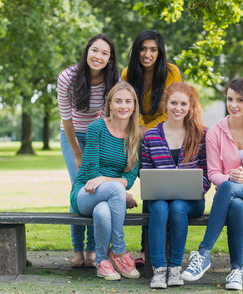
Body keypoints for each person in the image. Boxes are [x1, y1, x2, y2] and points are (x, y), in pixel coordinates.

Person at [181, 78, 243, 290]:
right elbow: (213, 173)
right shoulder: (216, 132)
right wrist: (231, 180)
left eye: (239, 100)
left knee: (229, 188)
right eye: (230, 99)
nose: (233, 105)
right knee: (235, 204)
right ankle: (236, 271)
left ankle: (204, 253)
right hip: (231, 197)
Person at [57, 34, 120, 268]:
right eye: (95, 50)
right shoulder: (68, 77)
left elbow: (110, 116)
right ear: (87, 52)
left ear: (110, 58)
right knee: (78, 187)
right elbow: (67, 118)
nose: (98, 56)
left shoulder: (114, 79)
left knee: (95, 189)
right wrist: (76, 153)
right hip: (71, 134)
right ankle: (77, 250)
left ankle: (92, 250)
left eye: (105, 53)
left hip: (97, 135)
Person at [122, 30, 182, 266]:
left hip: (164, 135)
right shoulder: (127, 74)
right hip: (135, 134)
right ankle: (133, 250)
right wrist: (140, 128)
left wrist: (150, 129)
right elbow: (125, 103)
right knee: (142, 182)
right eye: (143, 49)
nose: (148, 54)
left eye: (153, 49)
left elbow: (173, 106)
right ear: (136, 50)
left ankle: (152, 250)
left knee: (157, 188)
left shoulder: (171, 71)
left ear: (160, 52)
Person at [141, 82, 210, 289]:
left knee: (178, 206)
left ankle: (175, 269)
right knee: (161, 206)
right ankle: (159, 271)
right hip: (159, 198)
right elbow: (145, 172)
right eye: (173, 103)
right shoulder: (151, 136)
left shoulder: (200, 135)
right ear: (165, 104)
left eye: (183, 104)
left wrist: (197, 187)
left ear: (190, 106)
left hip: (191, 201)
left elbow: (207, 172)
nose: (177, 108)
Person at [70, 81, 142, 281]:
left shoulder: (137, 136)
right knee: (116, 189)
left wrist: (107, 181)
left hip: (110, 197)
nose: (123, 106)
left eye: (128, 101)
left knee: (102, 212)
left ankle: (102, 261)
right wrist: (115, 187)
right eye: (118, 101)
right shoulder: (96, 128)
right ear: (110, 104)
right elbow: (91, 172)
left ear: (134, 106)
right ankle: (119, 251)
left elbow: (129, 178)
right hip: (85, 192)